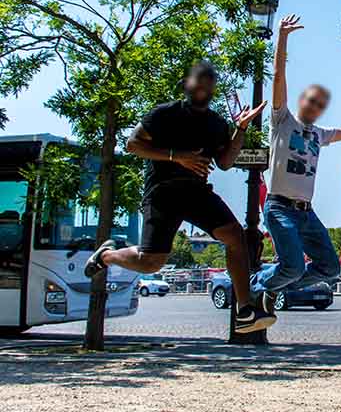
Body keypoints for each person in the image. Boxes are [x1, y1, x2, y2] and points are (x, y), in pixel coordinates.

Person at [84, 62, 275, 333]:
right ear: (186, 84)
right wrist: (177, 156)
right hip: (163, 192)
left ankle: (245, 309)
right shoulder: (164, 114)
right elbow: (133, 144)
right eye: (199, 81)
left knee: (235, 235)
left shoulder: (216, 123)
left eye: (209, 82)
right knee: (151, 263)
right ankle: (107, 257)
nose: (203, 87)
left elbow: (225, 162)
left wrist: (240, 130)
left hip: (196, 192)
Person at [250, 14, 341, 313]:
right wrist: (282, 37)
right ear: (300, 102)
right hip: (280, 208)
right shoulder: (282, 121)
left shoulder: (320, 134)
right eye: (310, 101)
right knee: (292, 268)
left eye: (320, 104)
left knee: (328, 269)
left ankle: (270, 286)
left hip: (306, 213)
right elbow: (277, 77)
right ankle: (256, 284)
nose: (314, 106)